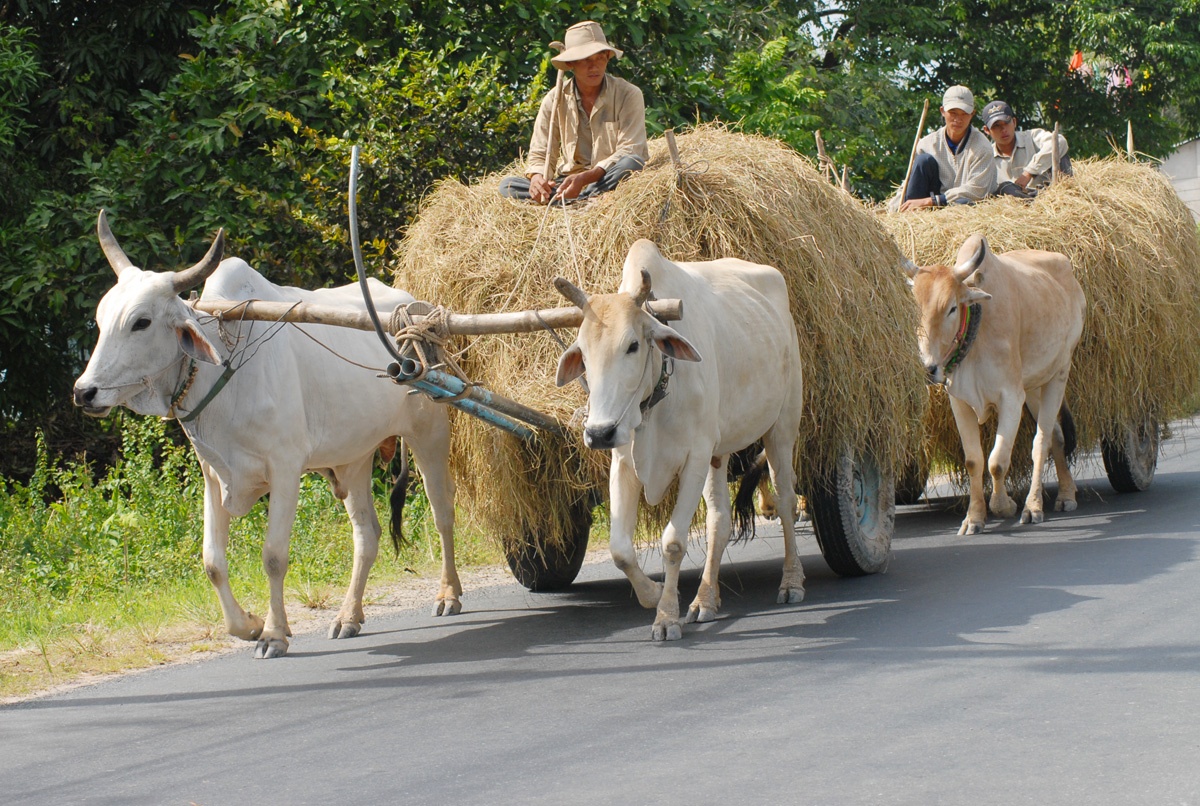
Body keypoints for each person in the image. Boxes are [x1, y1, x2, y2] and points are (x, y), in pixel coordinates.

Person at [499, 21, 649, 204]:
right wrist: (538, 179)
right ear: (571, 64)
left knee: (631, 162)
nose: (594, 67)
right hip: (567, 181)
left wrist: (586, 178)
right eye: (586, 60)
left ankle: (580, 198)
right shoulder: (554, 100)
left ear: (608, 57)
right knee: (507, 186)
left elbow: (630, 149)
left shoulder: (628, 94)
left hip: (605, 177)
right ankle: (572, 198)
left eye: (599, 57)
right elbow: (540, 152)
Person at [890, 85, 996, 212]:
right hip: (930, 203)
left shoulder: (983, 147)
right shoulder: (927, 144)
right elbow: (909, 182)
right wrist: (894, 207)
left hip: (963, 206)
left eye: (964, 114)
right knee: (923, 161)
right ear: (942, 111)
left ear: (972, 114)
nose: (958, 119)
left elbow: (976, 190)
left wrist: (932, 201)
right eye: (953, 113)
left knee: (964, 204)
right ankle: (909, 216)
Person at [981, 100, 1072, 199]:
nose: (1003, 129)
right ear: (987, 130)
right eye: (996, 126)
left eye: (1006, 123)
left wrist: (1029, 172)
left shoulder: (1032, 137)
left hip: (1051, 195)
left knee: (1059, 154)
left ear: (1014, 122)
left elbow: (1059, 141)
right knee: (1006, 188)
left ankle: (1066, 196)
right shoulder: (986, 158)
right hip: (1019, 205)